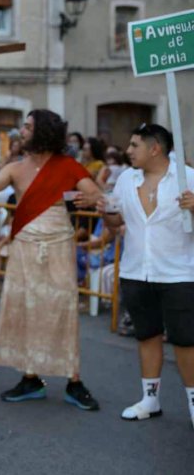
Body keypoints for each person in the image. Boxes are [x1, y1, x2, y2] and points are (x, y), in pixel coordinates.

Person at [0, 109, 102, 410]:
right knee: (25, 310)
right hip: (24, 248)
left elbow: (96, 194)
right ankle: (30, 377)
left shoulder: (68, 166)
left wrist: (87, 199)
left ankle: (74, 381)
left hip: (58, 247)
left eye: (28, 126)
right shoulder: (15, 168)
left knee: (62, 310)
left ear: (43, 131)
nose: (22, 130)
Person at [98, 124, 194, 429]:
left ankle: (193, 402)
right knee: (147, 335)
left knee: (185, 340)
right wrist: (105, 212)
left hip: (179, 272)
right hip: (136, 270)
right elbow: (115, 223)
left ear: (155, 148)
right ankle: (149, 398)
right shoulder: (127, 179)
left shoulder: (187, 178)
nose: (129, 151)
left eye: (135, 145)